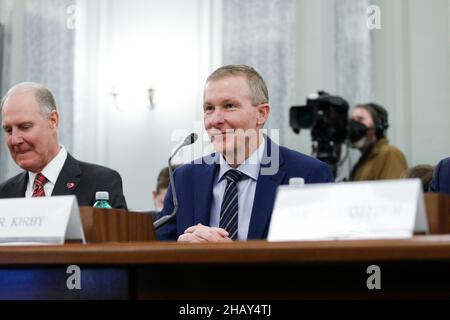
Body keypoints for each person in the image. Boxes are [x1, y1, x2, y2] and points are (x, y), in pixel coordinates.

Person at [156, 65, 333, 242]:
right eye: (209, 108)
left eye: (229, 106)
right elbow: (156, 255)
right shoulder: (184, 179)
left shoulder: (309, 174)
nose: (215, 120)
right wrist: (180, 252)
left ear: (261, 114)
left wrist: (233, 258)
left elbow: (316, 262)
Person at [0, 82, 128, 209]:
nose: (14, 140)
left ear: (53, 121)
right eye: (8, 130)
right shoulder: (4, 194)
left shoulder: (101, 182)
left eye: (25, 127)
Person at [349, 103, 407, 181]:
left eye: (360, 119)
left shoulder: (390, 154)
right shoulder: (365, 160)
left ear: (378, 126)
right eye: (352, 120)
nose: (354, 125)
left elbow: (394, 191)